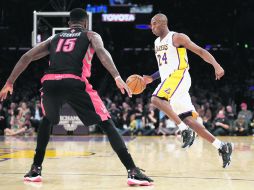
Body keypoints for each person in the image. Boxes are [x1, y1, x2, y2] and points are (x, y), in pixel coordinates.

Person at [0, 8, 153, 185]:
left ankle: (35, 169)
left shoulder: (54, 38)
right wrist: (116, 76)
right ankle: (132, 171)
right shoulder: (90, 35)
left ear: (68, 24)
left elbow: (27, 57)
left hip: (50, 82)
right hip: (74, 81)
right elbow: (102, 53)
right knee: (106, 122)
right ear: (86, 22)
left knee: (47, 120)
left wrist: (9, 82)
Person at [143, 13, 233, 168]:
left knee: (155, 99)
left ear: (161, 23)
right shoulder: (157, 42)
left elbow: (200, 51)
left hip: (180, 76)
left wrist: (216, 65)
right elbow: (164, 68)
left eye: (153, 24)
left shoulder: (177, 37)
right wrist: (151, 78)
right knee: (190, 120)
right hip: (170, 82)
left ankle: (184, 130)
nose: (151, 28)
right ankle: (222, 146)